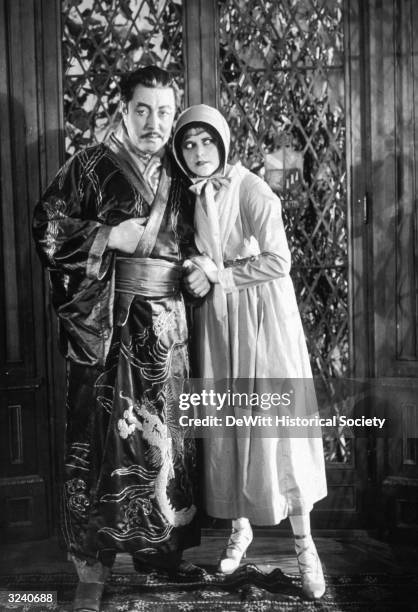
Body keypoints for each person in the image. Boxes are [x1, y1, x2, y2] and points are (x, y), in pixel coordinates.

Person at [32, 67, 210, 612]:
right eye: (142, 110)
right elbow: (46, 225)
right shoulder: (86, 166)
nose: (154, 123)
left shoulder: (182, 174)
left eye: (163, 112)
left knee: (166, 444)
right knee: (100, 441)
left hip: (167, 331)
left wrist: (203, 268)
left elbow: (203, 245)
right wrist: (108, 235)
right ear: (123, 111)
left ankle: (163, 552)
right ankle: (92, 565)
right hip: (106, 328)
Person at [172, 104, 328, 600]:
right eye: (190, 144)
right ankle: (241, 529)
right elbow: (194, 253)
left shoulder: (251, 187)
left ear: (223, 143)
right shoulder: (188, 196)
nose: (199, 153)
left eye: (207, 142)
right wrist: (198, 268)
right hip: (219, 326)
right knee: (231, 427)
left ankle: (305, 546)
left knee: (277, 428)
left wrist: (221, 275)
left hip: (263, 321)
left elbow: (279, 259)